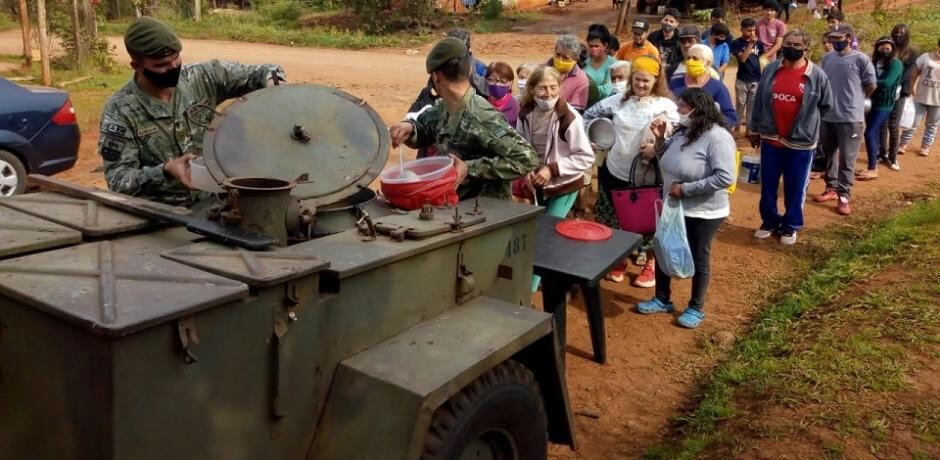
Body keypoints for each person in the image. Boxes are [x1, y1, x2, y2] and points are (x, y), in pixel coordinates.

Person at [98, 17, 285, 206]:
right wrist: (164, 171)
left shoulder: (201, 77)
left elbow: (267, 71)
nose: (173, 68)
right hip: (164, 216)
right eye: (161, 65)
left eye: (176, 59)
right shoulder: (120, 110)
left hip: (217, 204)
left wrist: (274, 86)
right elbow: (118, 181)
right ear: (137, 66)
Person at [388, 37, 538, 200]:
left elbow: (526, 158)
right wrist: (409, 128)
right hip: (456, 206)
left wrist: (469, 168)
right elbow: (425, 128)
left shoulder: (481, 116)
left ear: (436, 77)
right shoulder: (444, 106)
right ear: (470, 71)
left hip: (486, 213)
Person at [636, 88, 736, 329]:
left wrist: (687, 189)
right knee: (663, 246)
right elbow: (666, 158)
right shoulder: (684, 131)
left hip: (704, 210)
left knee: (698, 254)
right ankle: (662, 298)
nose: (678, 111)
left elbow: (725, 177)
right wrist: (660, 139)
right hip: (674, 205)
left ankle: (695, 307)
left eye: (681, 107)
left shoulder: (718, 137)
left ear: (697, 109)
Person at [583, 56, 679, 286]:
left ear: (656, 80)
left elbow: (677, 137)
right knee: (614, 219)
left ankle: (651, 265)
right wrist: (596, 138)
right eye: (637, 79)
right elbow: (588, 116)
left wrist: (655, 149)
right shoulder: (616, 101)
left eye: (646, 81)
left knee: (648, 221)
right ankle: (619, 260)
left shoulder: (666, 107)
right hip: (615, 170)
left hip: (647, 177)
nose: (641, 85)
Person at [749, 29, 833, 245]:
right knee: (768, 185)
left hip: (801, 143)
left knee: (795, 188)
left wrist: (810, 128)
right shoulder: (771, 70)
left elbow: (826, 106)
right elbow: (759, 101)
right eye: (788, 43)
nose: (792, 48)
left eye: (797, 45)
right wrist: (754, 128)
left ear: (806, 49)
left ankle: (790, 225)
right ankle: (769, 221)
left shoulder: (817, 76)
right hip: (771, 138)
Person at [515, 66, 595, 292]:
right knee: (548, 230)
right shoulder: (526, 113)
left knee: (545, 234)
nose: (548, 94)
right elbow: (522, 147)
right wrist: (527, 171)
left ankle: (529, 289)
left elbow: (585, 157)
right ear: (531, 89)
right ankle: (567, 278)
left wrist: (552, 169)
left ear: (560, 88)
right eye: (542, 88)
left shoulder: (568, 117)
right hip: (539, 184)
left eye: (553, 88)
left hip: (564, 185)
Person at [814, 24, 876, 216]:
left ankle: (844, 196)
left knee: (848, 159)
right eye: (832, 38)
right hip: (828, 116)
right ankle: (831, 188)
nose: (834, 42)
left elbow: (870, 85)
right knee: (829, 155)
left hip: (851, 118)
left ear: (849, 38)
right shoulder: (827, 58)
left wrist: (854, 100)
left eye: (838, 38)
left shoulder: (861, 59)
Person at [858, 37, 903, 180]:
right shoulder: (874, 62)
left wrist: (868, 81)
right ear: (877, 48)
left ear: (893, 49)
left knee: (869, 133)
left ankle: (873, 169)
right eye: (881, 46)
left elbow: (888, 82)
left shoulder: (896, 64)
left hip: (885, 104)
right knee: (874, 132)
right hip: (871, 101)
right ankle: (873, 163)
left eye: (888, 47)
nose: (885, 49)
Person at [668, 44, 737, 127]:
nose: (690, 62)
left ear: (707, 64)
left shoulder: (718, 87)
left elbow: (730, 118)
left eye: (695, 59)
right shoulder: (675, 83)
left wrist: (708, 120)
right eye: (688, 58)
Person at [879, 24, 918, 170]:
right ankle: (881, 153)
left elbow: (907, 74)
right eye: (896, 32)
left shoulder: (912, 53)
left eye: (901, 33)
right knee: (882, 123)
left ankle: (893, 157)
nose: (898, 35)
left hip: (900, 93)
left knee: (893, 125)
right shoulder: (887, 49)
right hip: (884, 92)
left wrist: (894, 85)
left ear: (906, 35)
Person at [900, 38, 940, 157]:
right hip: (920, 96)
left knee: (932, 125)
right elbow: (914, 72)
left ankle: (925, 147)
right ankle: (903, 144)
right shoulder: (926, 57)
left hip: (938, 100)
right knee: (913, 122)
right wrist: (911, 87)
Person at [731, 18, 765, 134]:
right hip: (742, 79)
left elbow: (761, 59)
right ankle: (736, 128)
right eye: (749, 31)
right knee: (740, 105)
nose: (752, 33)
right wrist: (750, 44)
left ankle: (749, 130)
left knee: (752, 105)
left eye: (754, 30)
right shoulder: (737, 43)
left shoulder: (759, 44)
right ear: (741, 30)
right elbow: (743, 59)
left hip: (756, 79)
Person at [548, 35, 590, 111]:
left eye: (565, 57)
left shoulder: (581, 79)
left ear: (575, 59)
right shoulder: (542, 70)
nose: (560, 60)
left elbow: (576, 111)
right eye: (558, 55)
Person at [584, 24, 618, 100]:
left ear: (605, 45)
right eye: (590, 46)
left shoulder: (613, 64)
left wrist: (585, 89)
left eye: (596, 46)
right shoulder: (585, 63)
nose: (593, 49)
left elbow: (606, 91)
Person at [648, 9, 682, 77]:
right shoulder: (653, 37)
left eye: (671, 21)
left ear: (677, 24)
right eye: (666, 20)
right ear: (662, 20)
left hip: (672, 74)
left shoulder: (680, 40)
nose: (668, 23)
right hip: (654, 72)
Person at [485, 62, 519, 127]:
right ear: (486, 80)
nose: (497, 84)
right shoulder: (480, 102)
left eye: (503, 81)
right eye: (492, 80)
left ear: (510, 83)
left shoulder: (516, 108)